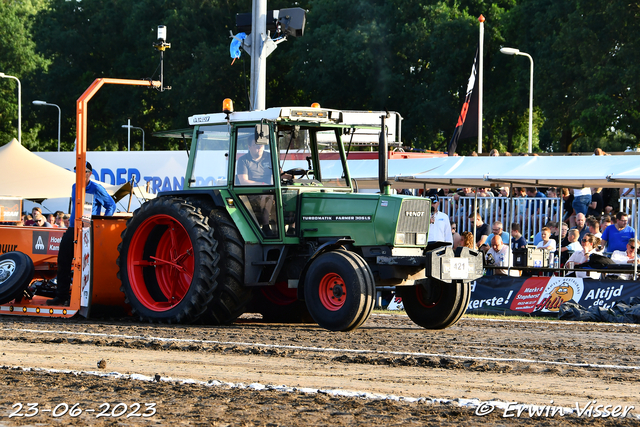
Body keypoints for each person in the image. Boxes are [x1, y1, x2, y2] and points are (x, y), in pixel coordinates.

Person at [47, 162, 116, 306]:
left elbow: (111, 206)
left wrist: (101, 224)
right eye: (76, 171)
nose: (78, 174)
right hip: (73, 228)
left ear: (89, 173)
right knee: (63, 260)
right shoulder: (74, 187)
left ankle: (86, 298)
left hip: (87, 229)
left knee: (86, 264)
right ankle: (62, 296)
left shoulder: (96, 188)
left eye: (81, 171)